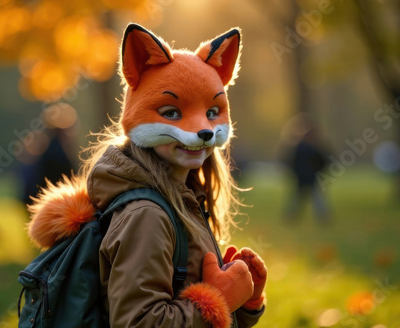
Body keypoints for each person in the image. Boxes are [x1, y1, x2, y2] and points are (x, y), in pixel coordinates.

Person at [26, 24, 267, 327]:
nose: (203, 130)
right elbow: (138, 322)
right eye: (171, 113)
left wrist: (247, 300)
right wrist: (218, 299)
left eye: (211, 112)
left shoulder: (185, 195)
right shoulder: (146, 215)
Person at [283, 116, 331, 224]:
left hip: (310, 177)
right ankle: (293, 216)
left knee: (312, 198)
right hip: (306, 176)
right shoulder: (306, 147)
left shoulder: (309, 148)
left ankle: (321, 217)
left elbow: (324, 161)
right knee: (302, 198)